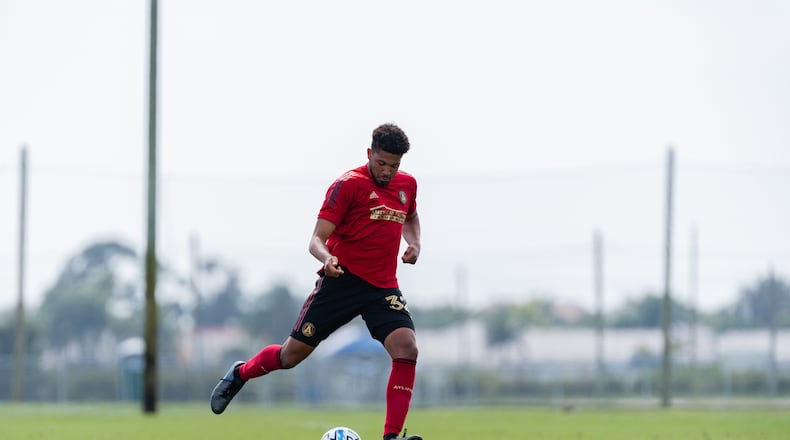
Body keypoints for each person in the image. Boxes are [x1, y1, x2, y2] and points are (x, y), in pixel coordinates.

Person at [210, 123, 423, 440]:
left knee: (406, 348)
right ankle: (241, 372)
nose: (388, 171)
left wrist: (414, 244)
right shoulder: (348, 185)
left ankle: (391, 437)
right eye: (382, 163)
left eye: (394, 165)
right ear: (369, 154)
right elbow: (316, 239)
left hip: (382, 287)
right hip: (341, 281)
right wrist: (327, 259)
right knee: (290, 356)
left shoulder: (407, 185)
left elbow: (411, 216)